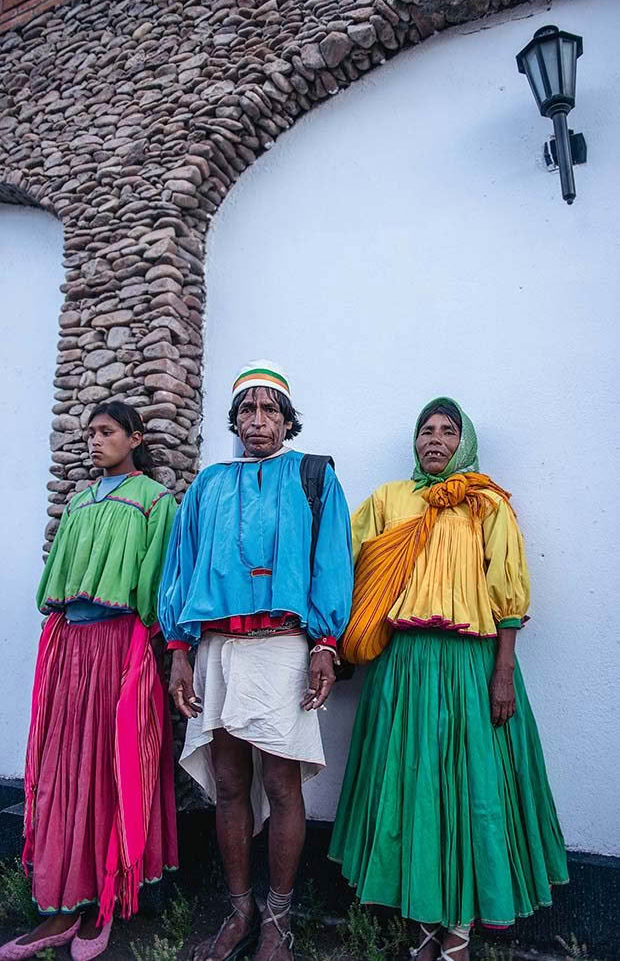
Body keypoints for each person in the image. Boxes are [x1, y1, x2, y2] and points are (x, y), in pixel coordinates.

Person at [329, 397, 568, 961]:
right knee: (412, 786)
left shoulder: (487, 505)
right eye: (425, 431)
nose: (434, 440)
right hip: (403, 667)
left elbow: (508, 590)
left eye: (447, 431)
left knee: (468, 790)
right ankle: (423, 921)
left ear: (464, 442)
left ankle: (459, 925)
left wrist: (503, 672)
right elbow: (341, 556)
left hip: (470, 667)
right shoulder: (389, 500)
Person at [158, 360, 353, 961]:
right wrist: (180, 652)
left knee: (281, 781)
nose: (258, 420)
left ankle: (278, 917)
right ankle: (239, 909)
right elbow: (182, 569)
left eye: (271, 409)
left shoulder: (312, 477)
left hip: (282, 650)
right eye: (248, 409)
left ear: (288, 421)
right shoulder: (209, 485)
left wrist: (325, 643)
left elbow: (332, 562)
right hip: (216, 651)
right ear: (235, 420)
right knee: (231, 783)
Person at [0, 402, 179, 961]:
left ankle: (100, 904)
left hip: (119, 647)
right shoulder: (78, 501)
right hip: (69, 647)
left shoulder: (156, 502)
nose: (95, 442)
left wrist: (147, 647)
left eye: (106, 432)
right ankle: (57, 905)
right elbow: (56, 583)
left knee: (107, 767)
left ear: (135, 437)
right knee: (61, 767)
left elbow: (156, 585)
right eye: (90, 434)